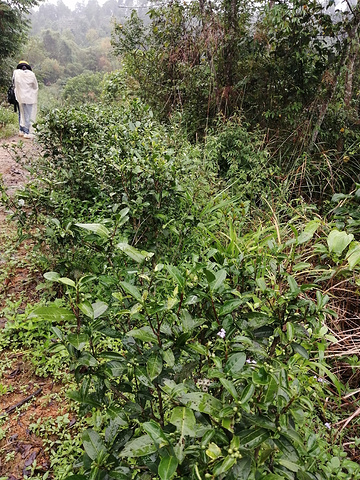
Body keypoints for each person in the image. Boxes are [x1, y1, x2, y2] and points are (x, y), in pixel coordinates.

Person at [13, 61, 38, 139]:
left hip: (20, 97)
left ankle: (21, 130)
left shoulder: (16, 74)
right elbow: (35, 86)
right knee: (28, 115)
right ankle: (26, 132)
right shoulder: (31, 75)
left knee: (22, 113)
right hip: (30, 98)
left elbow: (14, 84)